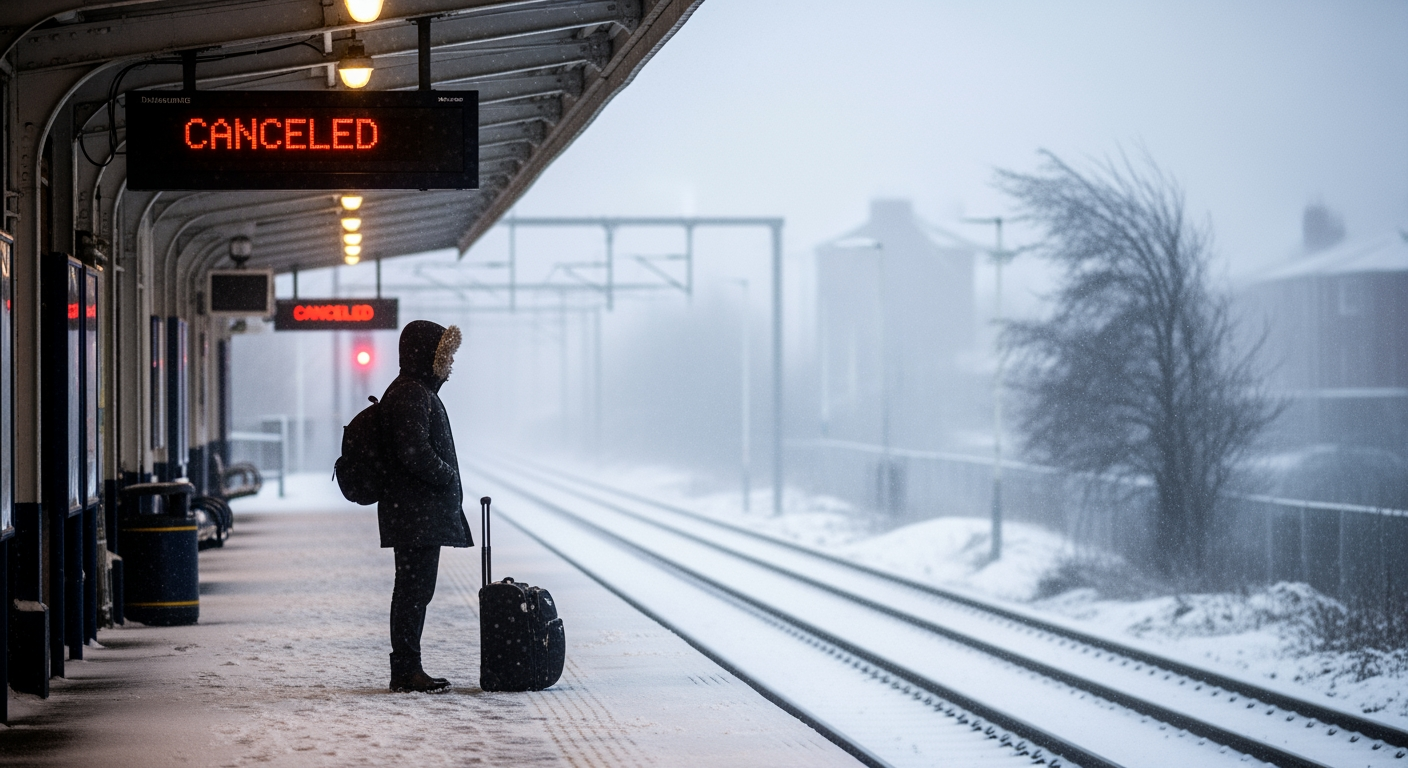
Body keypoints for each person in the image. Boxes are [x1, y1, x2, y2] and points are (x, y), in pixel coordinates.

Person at [378, 319, 472, 693]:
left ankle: (407, 667)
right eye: (442, 355)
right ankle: (405, 670)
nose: (447, 364)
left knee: (414, 590)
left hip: (413, 511)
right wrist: (446, 474)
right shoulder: (412, 393)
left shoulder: (413, 390)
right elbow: (413, 451)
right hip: (414, 512)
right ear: (424, 355)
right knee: (413, 591)